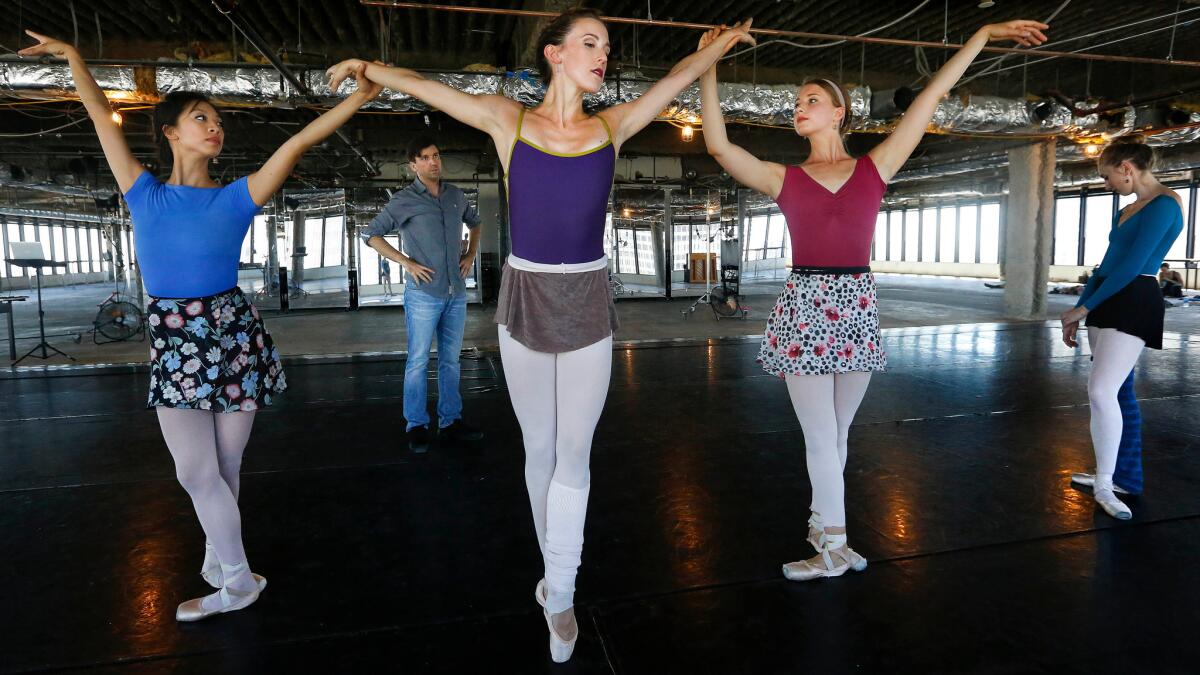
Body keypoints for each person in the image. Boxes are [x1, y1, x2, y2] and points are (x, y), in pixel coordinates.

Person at [329, 10, 753, 662]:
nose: (603, 55)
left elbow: (674, 81)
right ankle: (553, 575)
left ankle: (560, 590)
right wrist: (372, 68)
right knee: (542, 448)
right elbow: (430, 88)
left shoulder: (611, 126)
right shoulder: (511, 119)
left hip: (586, 294)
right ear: (555, 53)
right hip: (526, 294)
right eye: (591, 43)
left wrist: (715, 50)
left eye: (607, 47)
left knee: (575, 454)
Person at [18, 30, 381, 621]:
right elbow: (98, 119)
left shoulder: (238, 197)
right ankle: (232, 567)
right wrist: (75, 59)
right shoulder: (143, 193)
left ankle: (232, 574)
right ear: (170, 131)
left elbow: (300, 140)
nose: (215, 127)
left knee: (224, 468)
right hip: (177, 338)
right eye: (200, 117)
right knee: (195, 470)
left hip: (232, 332)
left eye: (217, 119)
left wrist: (359, 99)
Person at [699, 18, 1048, 581]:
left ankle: (828, 534)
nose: (799, 106)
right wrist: (710, 62)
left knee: (837, 435)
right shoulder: (783, 178)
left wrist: (981, 35)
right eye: (796, 102)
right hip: (807, 305)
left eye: (810, 99)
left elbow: (931, 98)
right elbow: (717, 145)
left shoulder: (874, 168)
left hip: (857, 306)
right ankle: (834, 543)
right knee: (820, 436)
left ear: (839, 113)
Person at [1060, 135, 1184, 520]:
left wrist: (1084, 310)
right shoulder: (1127, 211)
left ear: (1127, 168)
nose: (1106, 184)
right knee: (1119, 393)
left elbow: (1133, 267)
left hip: (1135, 300)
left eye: (1107, 176)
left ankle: (1105, 483)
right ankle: (1123, 477)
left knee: (1100, 391)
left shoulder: (1166, 205)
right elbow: (1108, 264)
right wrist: (1082, 305)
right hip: (1108, 299)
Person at [362, 134, 484, 453]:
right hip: (423, 295)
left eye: (437, 155)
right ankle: (416, 424)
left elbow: (476, 223)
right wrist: (405, 261)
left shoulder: (456, 195)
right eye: (426, 157)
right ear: (413, 164)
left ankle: (450, 421)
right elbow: (370, 234)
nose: (434, 161)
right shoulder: (403, 200)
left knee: (451, 361)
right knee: (417, 361)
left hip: (455, 293)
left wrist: (470, 254)